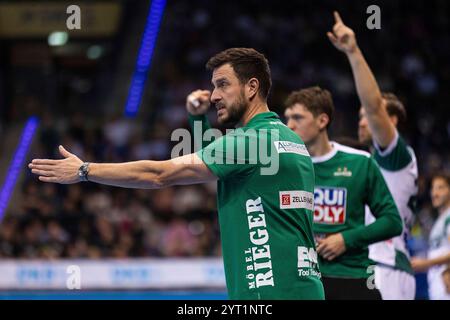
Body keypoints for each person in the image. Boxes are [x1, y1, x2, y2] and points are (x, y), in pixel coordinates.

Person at [29, 47, 324, 300]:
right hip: (304, 288)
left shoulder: (249, 142)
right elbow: (223, 162)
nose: (214, 96)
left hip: (266, 292)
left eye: (223, 85)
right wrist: (197, 119)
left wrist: (84, 170)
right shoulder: (290, 140)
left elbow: (160, 175)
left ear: (251, 87)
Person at [328, 11, 418, 299]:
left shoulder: (396, 157)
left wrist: (353, 52)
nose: (362, 121)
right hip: (370, 265)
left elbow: (376, 107)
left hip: (386, 265)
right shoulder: (367, 164)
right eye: (359, 116)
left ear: (392, 121)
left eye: (367, 115)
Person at [284, 86, 402, 300]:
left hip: (351, 275)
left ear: (322, 121)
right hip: (301, 280)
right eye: (288, 118)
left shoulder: (359, 162)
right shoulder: (283, 168)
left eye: (297, 118)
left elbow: (393, 221)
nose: (289, 125)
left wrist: (346, 239)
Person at [411, 174, 450, 300]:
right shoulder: (441, 220)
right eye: (433, 188)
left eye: (440, 188)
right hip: (437, 286)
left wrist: (426, 263)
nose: (434, 193)